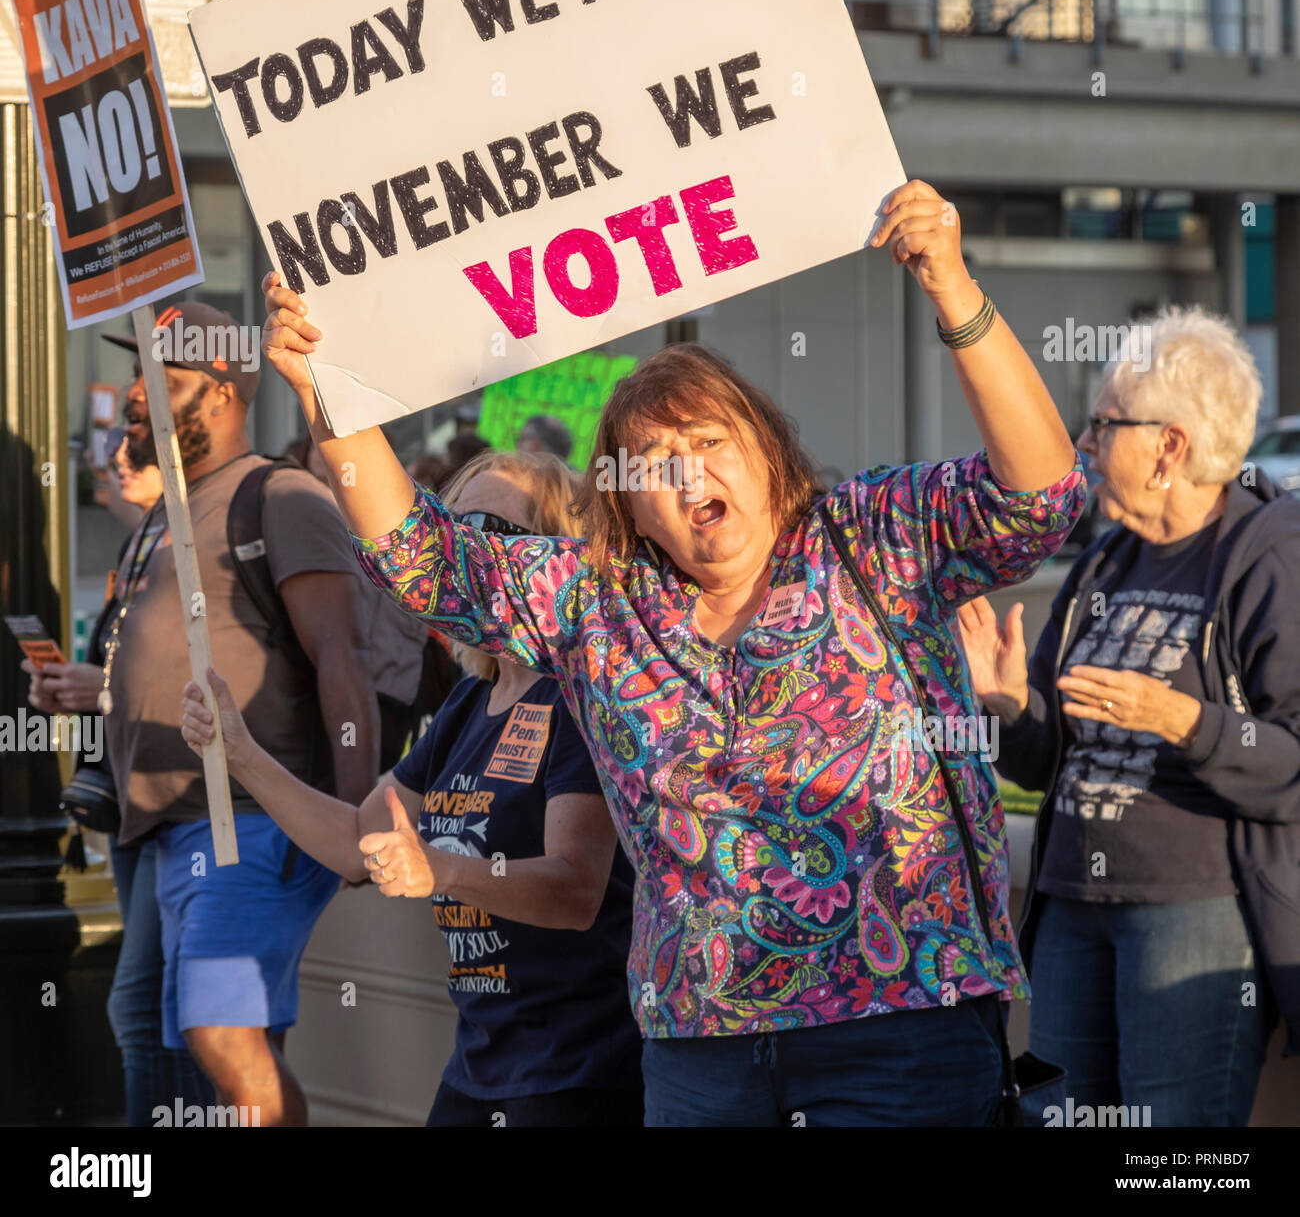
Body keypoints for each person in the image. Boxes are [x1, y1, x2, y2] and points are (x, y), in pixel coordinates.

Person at [261, 178, 1086, 1126]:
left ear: (769, 455)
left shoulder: (870, 538)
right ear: (629, 507)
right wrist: (332, 391)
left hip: (899, 1035)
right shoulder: (603, 607)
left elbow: (1040, 498)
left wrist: (953, 288)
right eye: (653, 464)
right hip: (702, 1054)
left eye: (708, 440)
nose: (687, 471)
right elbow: (423, 558)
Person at [180, 450, 643, 1126]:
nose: (472, 551)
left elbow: (575, 890)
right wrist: (241, 754)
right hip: (483, 1061)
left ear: (552, 556)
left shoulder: (571, 695)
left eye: (496, 530)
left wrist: (440, 868)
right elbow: (354, 843)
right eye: (458, 529)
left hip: (574, 1070)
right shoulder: (469, 703)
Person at [959, 305, 1300, 1127]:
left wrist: (1187, 722)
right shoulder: (1109, 557)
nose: (1083, 444)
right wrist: (1008, 707)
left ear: (1169, 447)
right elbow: (1048, 761)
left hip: (1195, 914)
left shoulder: (1271, 553)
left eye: (1105, 424)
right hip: (1072, 907)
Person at [96, 300, 382, 1126]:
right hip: (160, 828)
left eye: (166, 378)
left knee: (222, 1034)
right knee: (157, 1035)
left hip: (246, 819)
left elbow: (344, 657)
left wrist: (352, 819)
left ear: (221, 393)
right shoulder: (169, 513)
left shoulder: (280, 495)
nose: (138, 394)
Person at [25, 430, 215, 1126]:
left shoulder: (200, 538)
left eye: (133, 442)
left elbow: (200, 675)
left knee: (146, 1004)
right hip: (138, 800)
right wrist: (78, 690)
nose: (118, 457)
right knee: (151, 1008)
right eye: (113, 443)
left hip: (187, 803)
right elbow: (126, 659)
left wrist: (99, 690)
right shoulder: (145, 542)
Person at [283, 434, 430, 769]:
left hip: (389, 681)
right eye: (322, 444)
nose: (330, 454)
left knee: (369, 777)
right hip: (322, 683)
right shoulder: (290, 508)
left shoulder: (401, 509)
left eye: (346, 443)